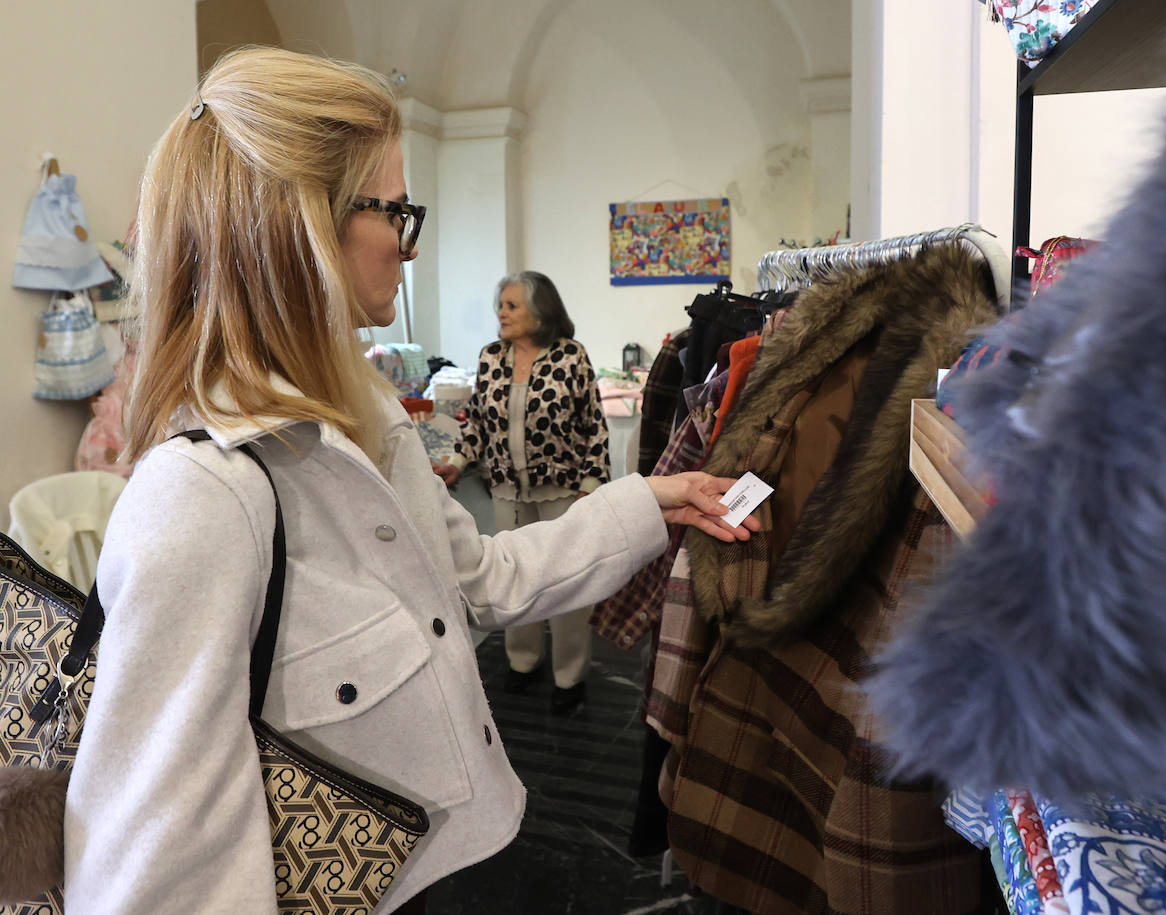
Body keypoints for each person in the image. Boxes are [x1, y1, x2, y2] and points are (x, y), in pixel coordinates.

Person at [64, 47, 756, 915]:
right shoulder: (202, 495)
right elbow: (152, 879)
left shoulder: (361, 419)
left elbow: (477, 579)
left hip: (416, 870)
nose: (409, 243)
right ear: (302, 226)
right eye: (393, 210)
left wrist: (647, 499)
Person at [452, 271, 608, 715]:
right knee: (514, 580)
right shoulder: (490, 358)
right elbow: (477, 422)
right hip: (507, 492)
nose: (501, 313)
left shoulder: (571, 356)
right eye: (500, 305)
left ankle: (569, 676)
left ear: (539, 311)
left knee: (567, 586)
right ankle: (523, 662)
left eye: (512, 305)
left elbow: (594, 426)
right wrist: (457, 463)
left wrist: (590, 487)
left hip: (564, 493)